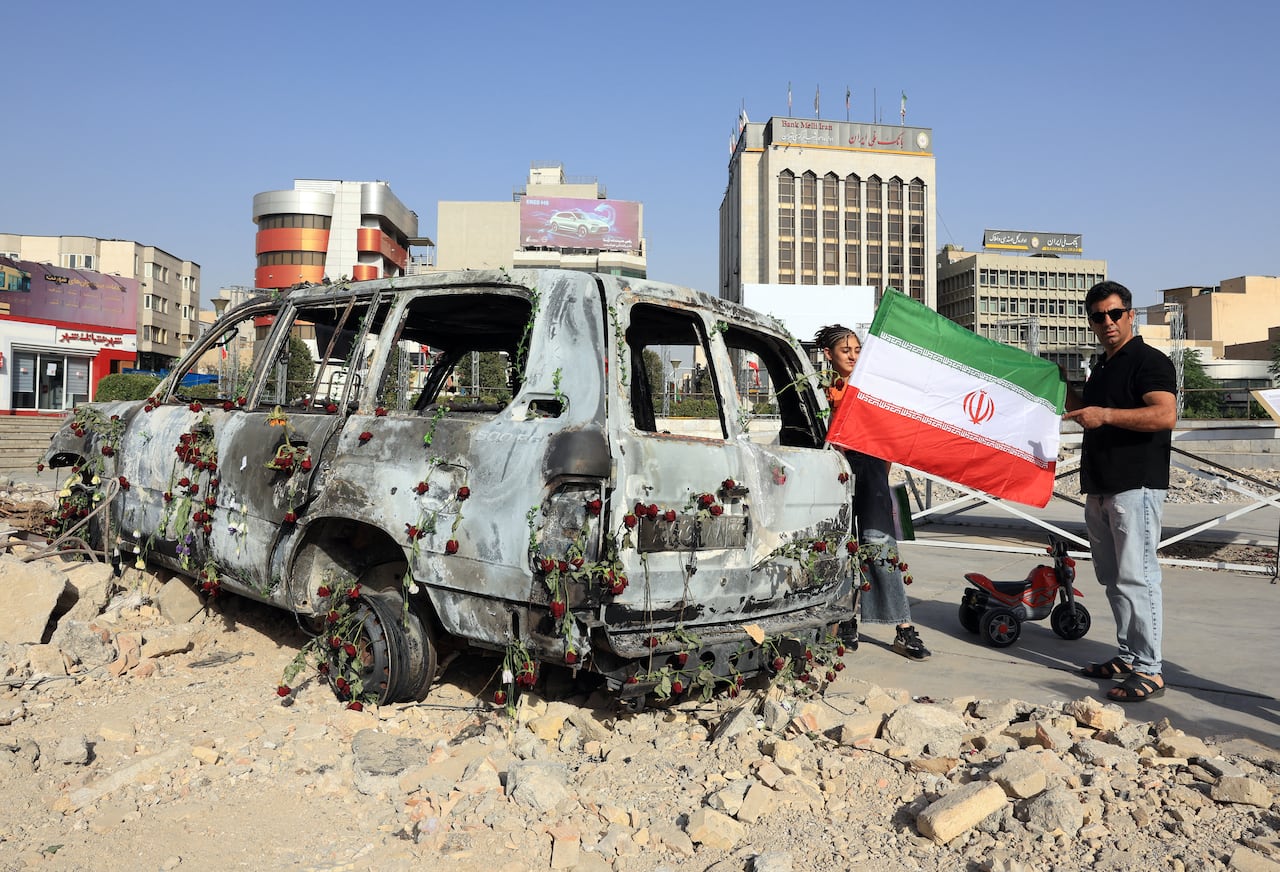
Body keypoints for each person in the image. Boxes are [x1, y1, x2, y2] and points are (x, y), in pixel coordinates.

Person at [1065, 281, 1177, 702]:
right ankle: (1129, 656)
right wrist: (1065, 388)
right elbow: (1088, 417)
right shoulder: (1103, 367)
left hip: (1136, 485)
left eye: (1114, 314)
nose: (1107, 322)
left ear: (1131, 314)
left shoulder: (1148, 360)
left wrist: (1106, 414)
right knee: (1112, 578)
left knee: (1137, 578)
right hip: (1100, 486)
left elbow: (1165, 415)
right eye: (1098, 316)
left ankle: (1150, 669)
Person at [816, 324, 930, 660]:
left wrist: (882, 470)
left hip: (873, 474)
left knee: (881, 547)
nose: (852, 356)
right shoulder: (824, 393)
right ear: (828, 355)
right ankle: (847, 622)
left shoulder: (873, 389)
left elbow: (891, 433)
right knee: (844, 550)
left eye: (857, 350)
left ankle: (904, 629)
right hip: (838, 475)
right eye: (845, 351)